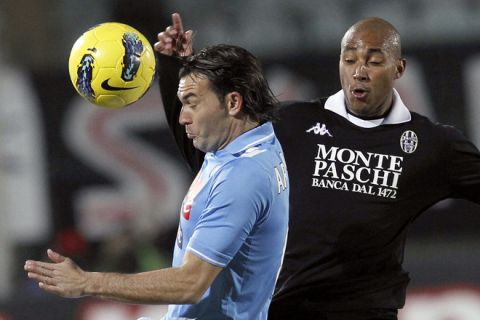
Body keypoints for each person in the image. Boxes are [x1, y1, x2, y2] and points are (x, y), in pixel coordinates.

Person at [154, 13, 480, 320]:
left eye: (375, 61)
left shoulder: (431, 144)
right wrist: (173, 69)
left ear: (399, 68)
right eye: (349, 60)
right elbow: (209, 151)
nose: (359, 71)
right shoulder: (291, 122)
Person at [24, 44, 289, 320]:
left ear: (233, 103)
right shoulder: (249, 141)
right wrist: (176, 65)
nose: (183, 117)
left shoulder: (241, 178)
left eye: (192, 103)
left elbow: (191, 284)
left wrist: (87, 282)